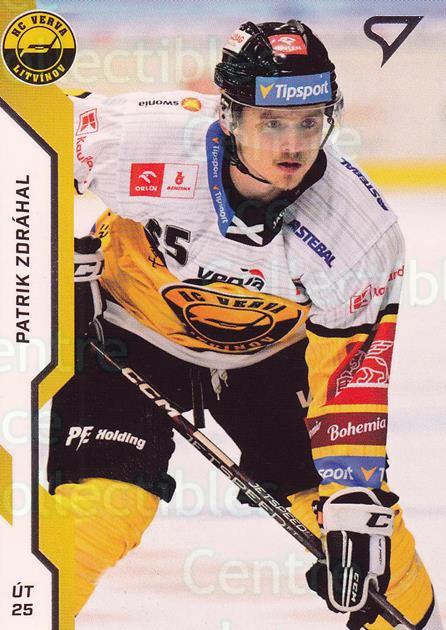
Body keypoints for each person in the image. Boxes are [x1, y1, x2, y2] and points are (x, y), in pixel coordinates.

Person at [49, 19, 442, 628]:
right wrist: (44, 259)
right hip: (126, 330)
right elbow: (18, 148)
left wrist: (353, 500)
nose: (293, 144)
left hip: (270, 362)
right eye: (271, 122)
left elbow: (349, 378)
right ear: (229, 116)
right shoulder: (137, 138)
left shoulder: (359, 230)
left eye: (309, 122)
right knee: (98, 516)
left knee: (374, 558)